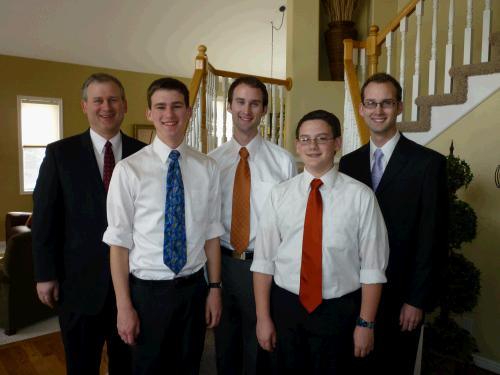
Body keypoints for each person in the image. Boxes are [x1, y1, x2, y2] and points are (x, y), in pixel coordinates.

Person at [251, 109, 389, 374]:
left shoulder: (361, 197)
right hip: (286, 309)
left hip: (339, 314)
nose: (312, 146)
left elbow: (373, 268)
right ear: (297, 145)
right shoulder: (280, 195)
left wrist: (366, 323)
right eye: (305, 139)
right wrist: (263, 317)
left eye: (321, 139)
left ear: (337, 143)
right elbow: (264, 262)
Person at [103, 77, 224, 375]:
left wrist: (215, 289)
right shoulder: (128, 170)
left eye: (176, 106)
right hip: (147, 294)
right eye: (160, 107)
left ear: (189, 111)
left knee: (189, 367)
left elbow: (211, 234)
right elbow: (118, 244)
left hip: (193, 290)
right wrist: (124, 306)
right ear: (149, 113)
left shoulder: (207, 167)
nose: (169, 114)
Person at [32, 73, 145, 375]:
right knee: (81, 367)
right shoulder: (60, 154)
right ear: (84, 106)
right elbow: (44, 219)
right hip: (79, 288)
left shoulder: (144, 154)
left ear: (124, 105)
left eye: (113, 100)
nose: (105, 107)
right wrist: (45, 274)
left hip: (135, 286)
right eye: (98, 100)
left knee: (129, 366)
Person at [339, 72, 449, 374]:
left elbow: (433, 238)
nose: (378, 111)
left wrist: (417, 300)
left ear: (399, 107)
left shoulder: (428, 164)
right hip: (352, 293)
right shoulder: (348, 164)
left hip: (401, 297)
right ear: (361, 109)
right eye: (371, 103)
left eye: (386, 103)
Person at [208, 76, 296, 374]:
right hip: (223, 264)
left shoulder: (283, 162)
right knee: (225, 347)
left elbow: (293, 220)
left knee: (263, 347)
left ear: (264, 109)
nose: (247, 109)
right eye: (241, 102)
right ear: (230, 107)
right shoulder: (211, 163)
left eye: (255, 103)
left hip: (266, 265)